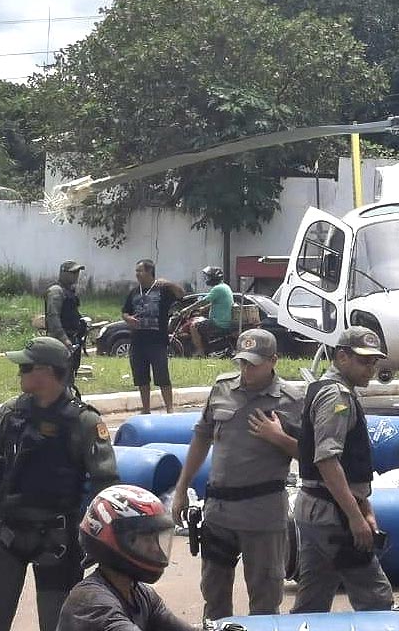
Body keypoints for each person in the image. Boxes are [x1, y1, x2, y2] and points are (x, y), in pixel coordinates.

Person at [0, 337, 119, 631]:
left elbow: (107, 485)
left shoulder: (84, 421)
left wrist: (100, 541)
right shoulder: (11, 413)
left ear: (49, 371)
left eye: (26, 367)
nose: (19, 373)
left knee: (57, 623)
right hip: (8, 533)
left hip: (58, 540)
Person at [169, 329, 302, 619]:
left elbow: (314, 457)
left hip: (263, 516)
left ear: (273, 361)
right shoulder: (222, 389)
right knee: (214, 598)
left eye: (253, 364)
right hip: (219, 513)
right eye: (242, 362)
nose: (246, 370)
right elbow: (201, 438)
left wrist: (277, 437)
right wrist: (181, 489)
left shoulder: (292, 399)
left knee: (264, 602)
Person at [290, 326, 394, 614]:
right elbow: (327, 459)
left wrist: (364, 506)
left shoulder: (328, 389)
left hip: (318, 510)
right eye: (363, 361)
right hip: (331, 514)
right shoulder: (336, 396)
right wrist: (355, 518)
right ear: (341, 356)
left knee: (313, 600)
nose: (370, 369)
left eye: (374, 362)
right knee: (376, 599)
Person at [56, 484, 194, 631]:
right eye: (147, 540)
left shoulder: (141, 594)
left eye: (156, 539)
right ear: (115, 539)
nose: (155, 548)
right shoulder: (91, 602)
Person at [122, 259, 185, 414]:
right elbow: (125, 311)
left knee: (162, 375)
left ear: (149, 272)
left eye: (140, 271)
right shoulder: (135, 292)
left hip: (157, 341)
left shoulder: (162, 290)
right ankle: (146, 409)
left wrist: (169, 283)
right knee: (141, 377)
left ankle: (170, 408)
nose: (137, 274)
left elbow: (181, 294)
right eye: (136, 271)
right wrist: (128, 318)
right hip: (138, 341)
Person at [45, 260, 87, 389]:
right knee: (59, 379)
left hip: (72, 339)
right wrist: (65, 340)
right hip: (60, 341)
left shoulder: (69, 291)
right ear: (63, 273)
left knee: (69, 378)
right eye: (73, 272)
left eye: (77, 272)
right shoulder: (56, 291)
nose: (76, 275)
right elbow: (53, 318)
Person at [187, 266, 235, 357]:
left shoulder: (217, 289)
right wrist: (203, 309)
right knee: (203, 323)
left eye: (209, 277)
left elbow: (203, 301)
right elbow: (216, 302)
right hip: (225, 321)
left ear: (215, 277)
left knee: (194, 326)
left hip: (219, 322)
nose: (207, 279)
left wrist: (187, 309)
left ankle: (200, 351)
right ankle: (207, 349)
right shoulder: (225, 287)